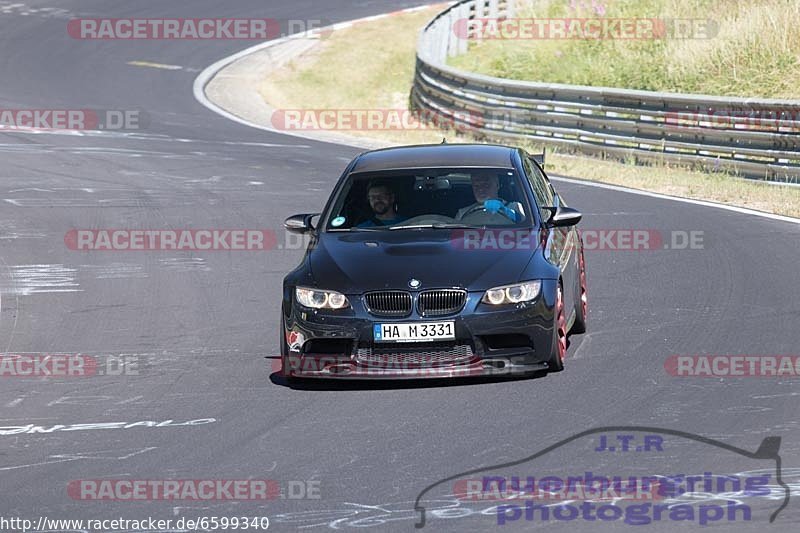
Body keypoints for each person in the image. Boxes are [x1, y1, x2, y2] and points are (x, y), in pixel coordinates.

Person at [455, 173, 520, 221]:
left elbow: (526, 227)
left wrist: (505, 210)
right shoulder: (462, 214)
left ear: (497, 185)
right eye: (476, 186)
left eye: (486, 185)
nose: (480, 189)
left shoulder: (516, 207)